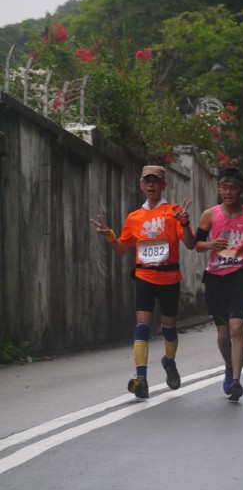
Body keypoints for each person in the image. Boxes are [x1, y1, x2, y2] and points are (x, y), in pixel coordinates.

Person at [90, 165, 195, 399]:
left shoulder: (174, 211)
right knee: (142, 327)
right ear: (141, 185)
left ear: (163, 185)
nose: (151, 185)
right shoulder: (134, 217)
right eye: (147, 181)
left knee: (169, 329)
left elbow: (190, 244)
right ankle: (141, 379)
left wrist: (186, 223)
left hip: (169, 279)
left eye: (155, 181)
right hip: (144, 277)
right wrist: (109, 234)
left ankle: (169, 362)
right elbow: (121, 248)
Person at [195, 168, 243, 402]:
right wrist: (211, 244)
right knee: (223, 334)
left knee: (236, 328)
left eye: (233, 188)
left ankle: (236, 380)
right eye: (224, 188)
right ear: (219, 189)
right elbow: (196, 244)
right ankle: (228, 366)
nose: (227, 192)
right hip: (216, 278)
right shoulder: (210, 215)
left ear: (241, 191)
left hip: (240, 276)